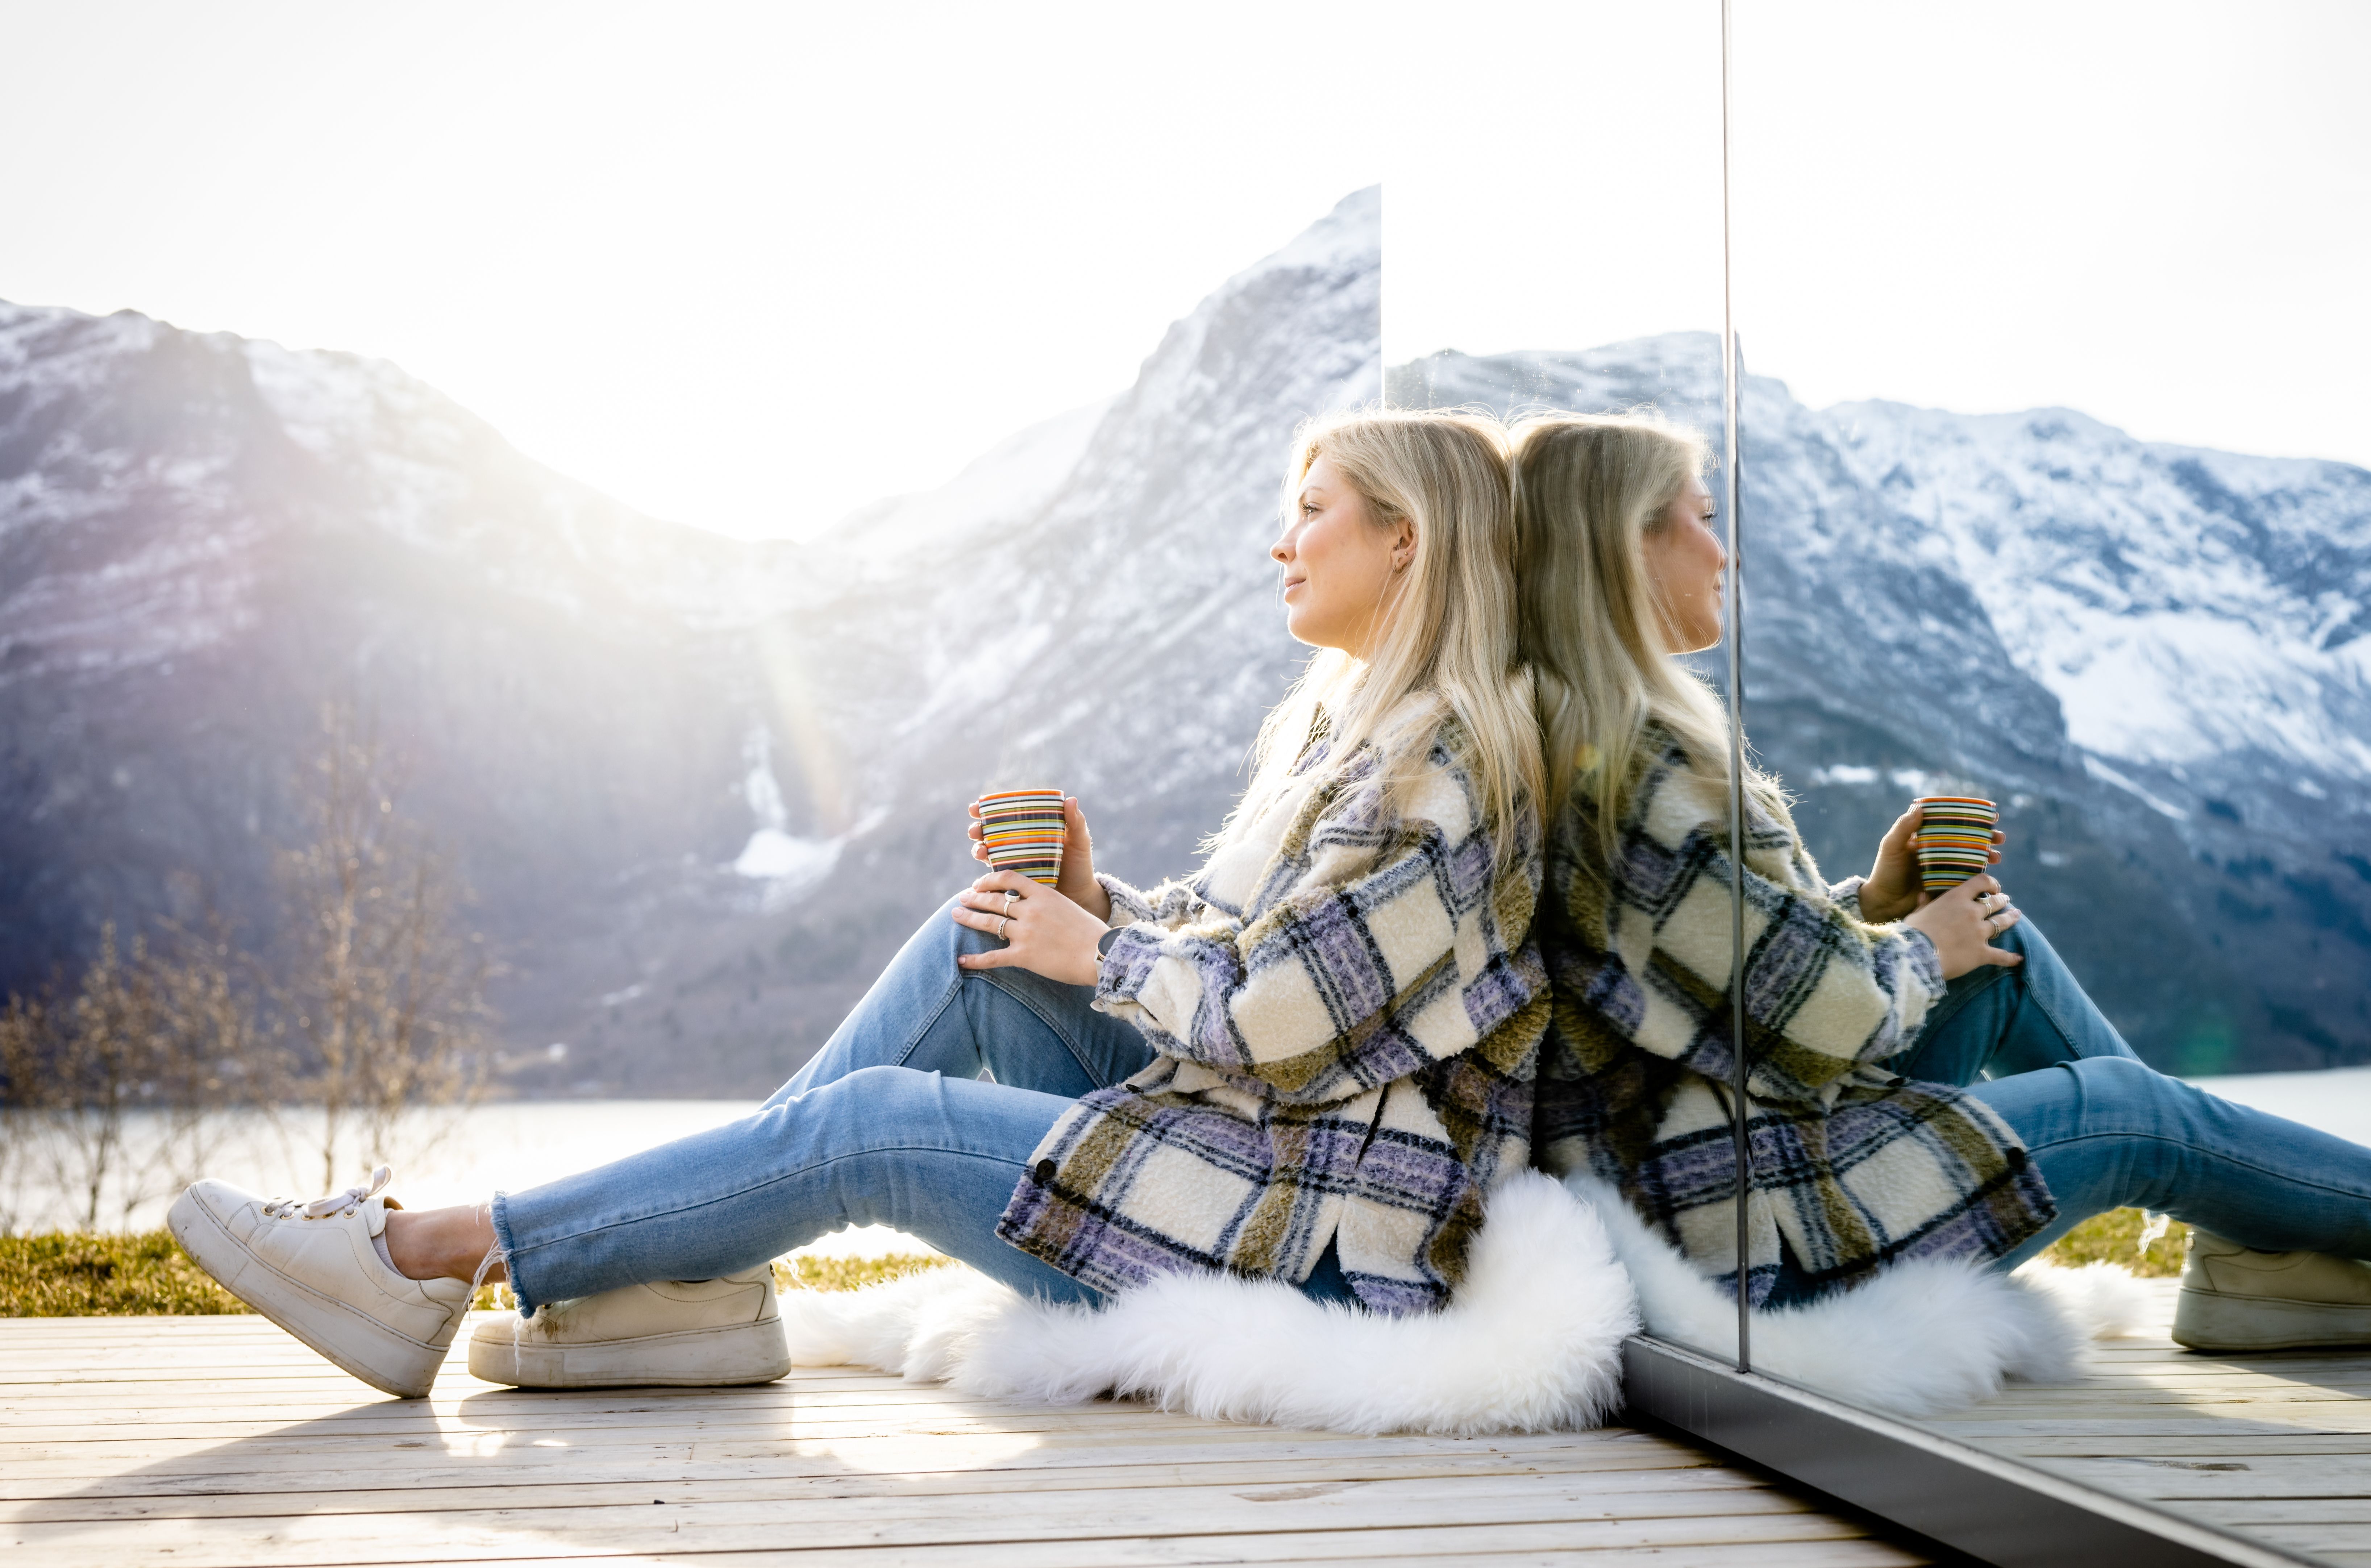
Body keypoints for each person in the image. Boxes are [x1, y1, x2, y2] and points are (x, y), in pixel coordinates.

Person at [168, 408, 1551, 1399]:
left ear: (1409, 543)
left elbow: (1281, 1019)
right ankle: (693, 1288)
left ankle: (430, 1255)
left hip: (1302, 1247)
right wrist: (1092, 907)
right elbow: (1248, 951)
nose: (1282, 545)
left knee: (872, 1129)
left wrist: (1104, 952)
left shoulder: (1452, 775)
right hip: (1249, 1157)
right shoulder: (1345, 734)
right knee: (985, 947)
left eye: (1312, 511)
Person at [1508, 412, 2371, 1354]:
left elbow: (1711, 981)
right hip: (1750, 1230)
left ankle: (2257, 1251)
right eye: (1703, 520)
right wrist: (1919, 950)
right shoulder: (1641, 762)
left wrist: (1873, 905)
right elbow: (1801, 1015)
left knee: (2005, 957)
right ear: (1625, 545)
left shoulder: (1603, 735)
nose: (1724, 549)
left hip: (1728, 1161)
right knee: (2124, 1110)